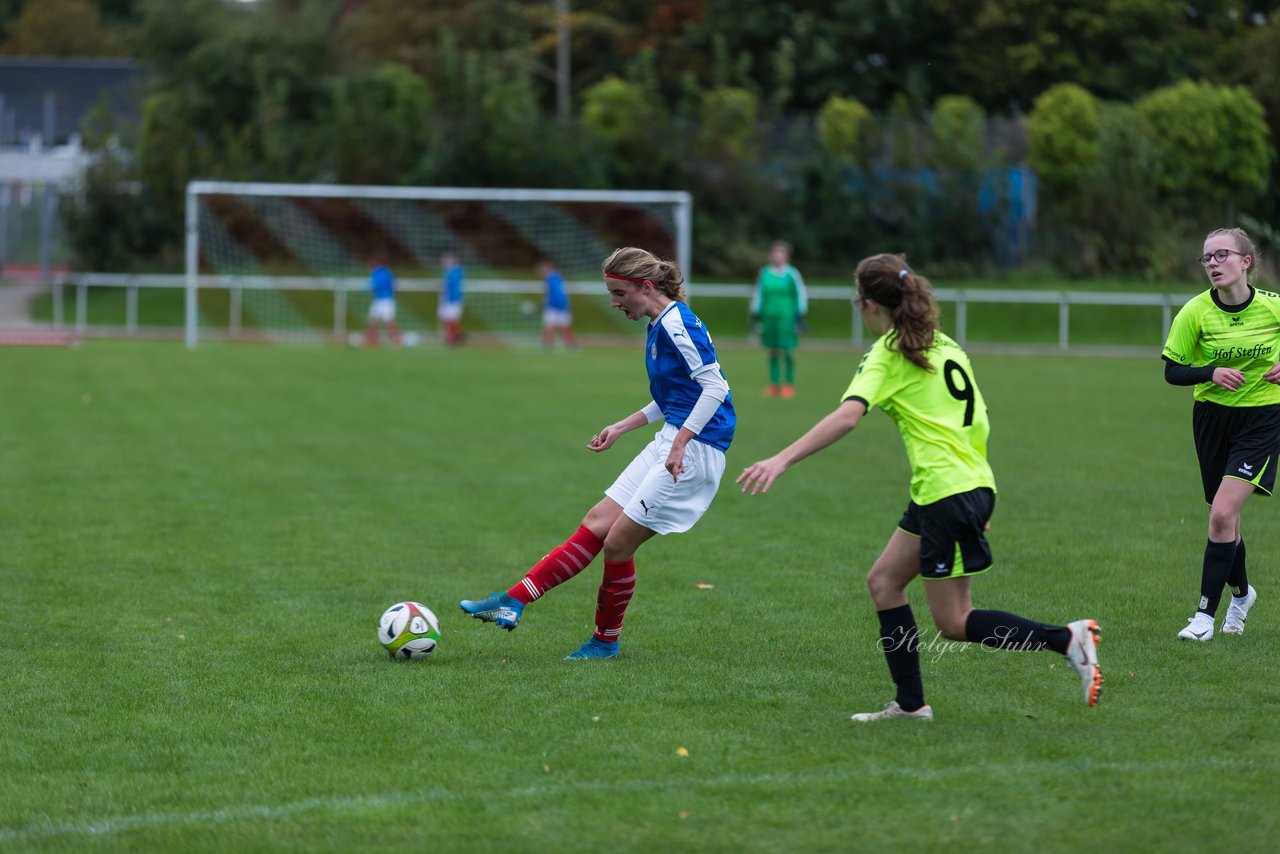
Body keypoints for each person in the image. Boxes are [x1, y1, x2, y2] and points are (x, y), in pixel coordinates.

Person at [738, 253, 1101, 721]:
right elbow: (980, 422)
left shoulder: (889, 352)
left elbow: (849, 414)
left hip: (946, 491)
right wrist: (980, 491)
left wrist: (781, 459)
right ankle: (910, 705)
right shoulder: (944, 344)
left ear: (868, 304)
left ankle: (1067, 639)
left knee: (953, 621)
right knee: (884, 582)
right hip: (960, 486)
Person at [460, 247, 736, 660]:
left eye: (619, 293)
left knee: (618, 543)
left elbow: (715, 388)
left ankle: (605, 641)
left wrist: (679, 445)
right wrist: (622, 427)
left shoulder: (678, 324)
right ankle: (512, 599)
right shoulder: (660, 323)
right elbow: (678, 396)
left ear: (646, 287)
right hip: (676, 438)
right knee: (597, 522)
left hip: (695, 448)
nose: (614, 302)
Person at [1161, 227, 1276, 641]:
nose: (1212, 262)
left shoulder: (1273, 307)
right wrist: (1210, 371)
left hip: (1263, 419)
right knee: (1224, 518)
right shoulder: (1194, 312)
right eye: (1206, 257)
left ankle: (1204, 617)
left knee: (1222, 514)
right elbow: (1172, 370)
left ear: (1245, 262)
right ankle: (1242, 595)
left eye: (1221, 255)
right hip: (1211, 419)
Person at [751, 241, 808, 398]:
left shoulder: (792, 274)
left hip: (787, 318)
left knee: (788, 350)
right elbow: (758, 294)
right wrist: (756, 317)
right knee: (773, 351)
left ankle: (789, 384)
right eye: (775, 252)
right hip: (769, 317)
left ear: (786, 256)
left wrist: (800, 316)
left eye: (781, 253)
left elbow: (800, 295)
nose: (778, 256)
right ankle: (774, 384)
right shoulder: (765, 273)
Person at [364, 255, 402, 347]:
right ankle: (396, 341)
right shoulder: (388, 273)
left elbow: (372, 286)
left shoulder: (377, 274)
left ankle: (373, 341)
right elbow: (395, 287)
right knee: (376, 322)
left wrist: (367, 289)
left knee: (381, 322)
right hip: (386, 300)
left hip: (382, 300)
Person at [539, 259, 576, 349]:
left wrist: (544, 302)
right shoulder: (557, 277)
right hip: (557, 306)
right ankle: (548, 345)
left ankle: (548, 346)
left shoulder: (551, 277)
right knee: (551, 327)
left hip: (558, 306)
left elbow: (551, 292)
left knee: (559, 327)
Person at [439, 253, 465, 346]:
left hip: (453, 299)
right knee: (447, 319)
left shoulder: (455, 272)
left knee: (451, 319)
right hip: (449, 299)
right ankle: (453, 336)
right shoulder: (451, 272)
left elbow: (449, 286)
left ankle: (455, 336)